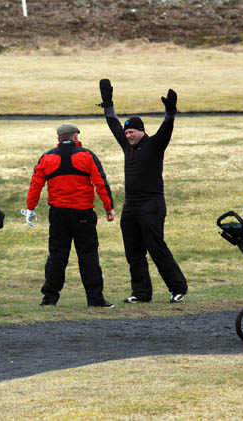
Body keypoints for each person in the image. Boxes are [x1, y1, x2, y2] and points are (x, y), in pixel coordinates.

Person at [98, 79, 188, 303]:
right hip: (131, 205)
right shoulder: (127, 145)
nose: (128, 135)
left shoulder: (155, 144)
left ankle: (178, 288)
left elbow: (166, 129)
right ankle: (141, 293)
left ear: (142, 131)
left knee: (156, 248)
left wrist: (170, 113)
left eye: (132, 132)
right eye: (127, 132)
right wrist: (108, 104)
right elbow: (114, 125)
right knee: (134, 252)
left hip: (152, 204)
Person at [24, 123, 116, 308]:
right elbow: (100, 181)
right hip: (82, 213)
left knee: (57, 255)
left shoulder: (47, 157)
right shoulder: (86, 155)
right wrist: (108, 207)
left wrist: (30, 208)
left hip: (58, 213)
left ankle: (49, 298)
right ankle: (95, 298)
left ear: (58, 139)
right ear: (75, 137)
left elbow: (36, 184)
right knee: (88, 255)